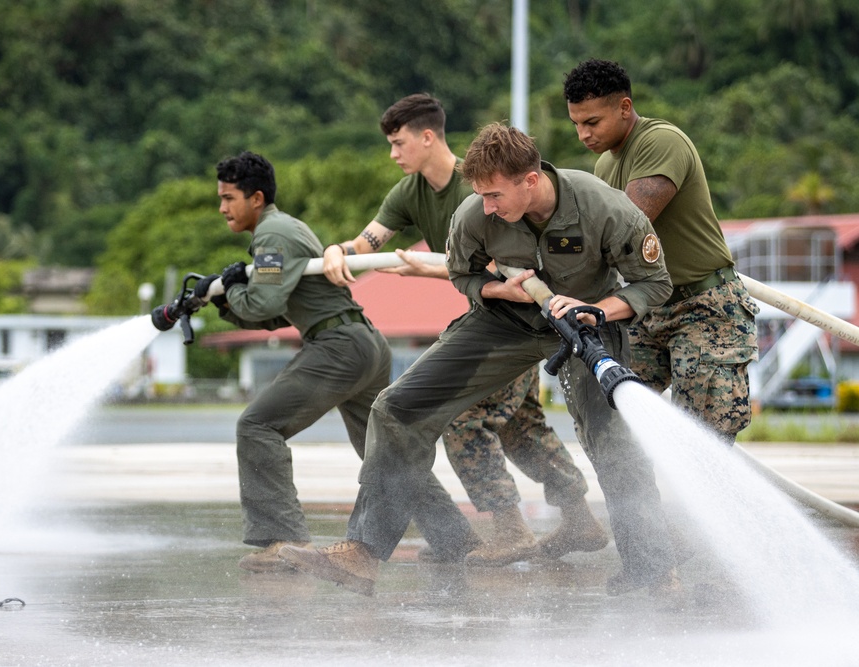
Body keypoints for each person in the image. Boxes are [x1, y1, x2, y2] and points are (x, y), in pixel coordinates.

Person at [279, 124, 680, 597]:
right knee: (397, 409)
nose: (487, 206)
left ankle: (652, 572)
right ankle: (362, 554)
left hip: (589, 327)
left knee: (614, 442)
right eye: (481, 196)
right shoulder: (475, 214)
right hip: (507, 322)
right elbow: (460, 271)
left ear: (530, 180)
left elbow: (654, 284)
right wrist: (497, 289)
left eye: (494, 195)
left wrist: (595, 310)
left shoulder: (603, 207)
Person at [322, 93, 607, 566]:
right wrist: (339, 250)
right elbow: (369, 240)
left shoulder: (481, 188)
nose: (393, 154)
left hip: (519, 319)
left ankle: (510, 530)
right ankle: (579, 517)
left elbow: (510, 269)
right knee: (520, 424)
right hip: (496, 317)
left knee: (465, 420)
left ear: (427, 136)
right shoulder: (409, 192)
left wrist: (430, 271)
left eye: (398, 143)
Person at [168, 151, 475, 573]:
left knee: (257, 426)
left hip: (339, 345)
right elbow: (277, 314)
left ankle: (283, 539)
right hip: (363, 342)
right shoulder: (283, 229)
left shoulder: (272, 234)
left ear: (256, 198)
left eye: (228, 198)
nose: (222, 208)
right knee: (384, 453)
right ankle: (456, 541)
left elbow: (262, 302)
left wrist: (231, 290)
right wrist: (225, 297)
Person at [563, 59, 759, 443]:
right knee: (611, 423)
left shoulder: (661, 141)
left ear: (624, 107)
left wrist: (562, 249)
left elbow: (628, 227)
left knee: (701, 440)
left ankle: (706, 506)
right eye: (576, 124)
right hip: (647, 309)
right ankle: (637, 507)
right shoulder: (605, 164)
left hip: (703, 307)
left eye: (592, 122)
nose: (582, 134)